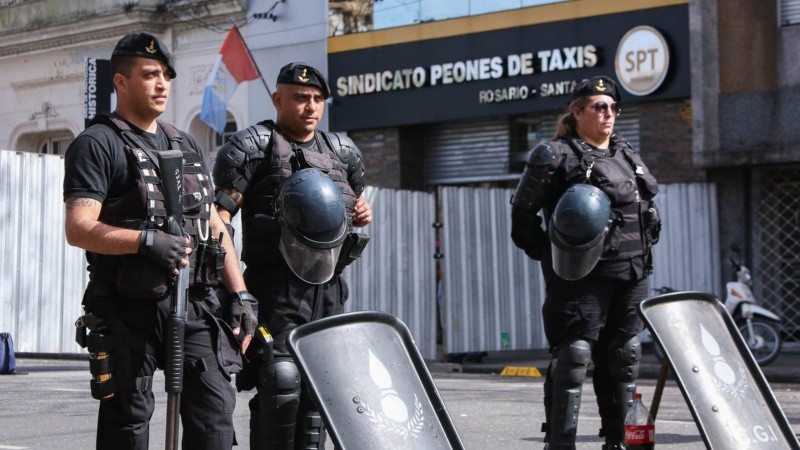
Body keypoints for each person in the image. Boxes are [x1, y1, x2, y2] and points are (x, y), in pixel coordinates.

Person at [63, 32, 257, 450]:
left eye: (166, 75)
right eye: (150, 74)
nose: (162, 84)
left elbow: (212, 223)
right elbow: (78, 227)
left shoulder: (182, 142)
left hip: (197, 305)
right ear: (120, 81)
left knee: (214, 426)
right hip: (127, 306)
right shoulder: (97, 144)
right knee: (127, 427)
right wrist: (144, 241)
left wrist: (240, 293)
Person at [212, 62, 373, 449]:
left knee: (323, 387)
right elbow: (219, 221)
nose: (310, 107)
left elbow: (353, 201)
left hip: (330, 288)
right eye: (300, 98)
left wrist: (363, 209)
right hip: (275, 289)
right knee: (281, 383)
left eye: (318, 99)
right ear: (278, 99)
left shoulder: (342, 153)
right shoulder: (254, 148)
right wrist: (235, 292)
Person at [510, 76, 662, 450]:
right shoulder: (555, 155)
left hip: (632, 271)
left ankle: (620, 440)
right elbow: (522, 218)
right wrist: (555, 259)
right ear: (577, 112)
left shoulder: (626, 153)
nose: (608, 114)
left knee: (625, 357)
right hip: (581, 279)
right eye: (599, 106)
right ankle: (561, 443)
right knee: (574, 356)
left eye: (612, 107)